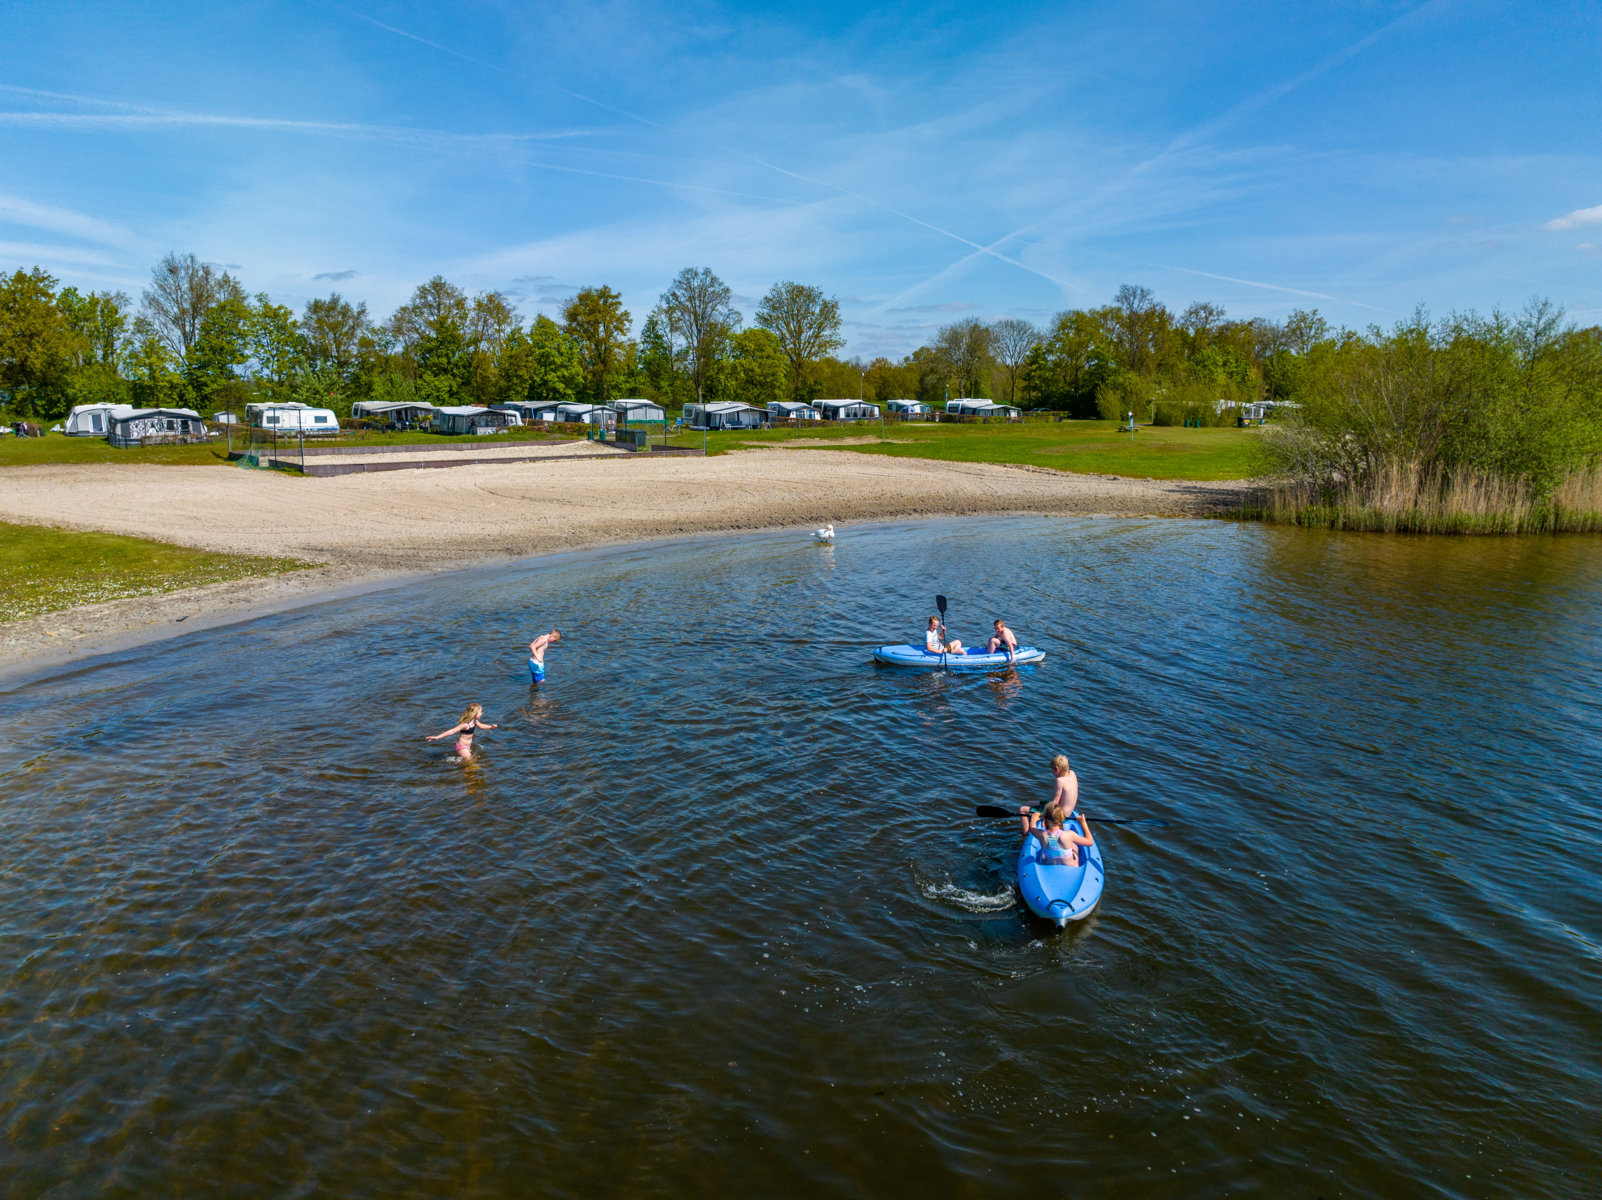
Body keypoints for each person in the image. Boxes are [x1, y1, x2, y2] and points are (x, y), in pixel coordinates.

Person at [1018, 801, 1094, 867]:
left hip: (1049, 866)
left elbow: (1032, 828)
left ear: (1044, 819)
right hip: (1070, 868)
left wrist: (1034, 818)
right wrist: (1083, 823)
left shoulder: (1042, 835)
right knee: (1074, 847)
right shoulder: (1069, 835)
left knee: (1043, 853)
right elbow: (1090, 842)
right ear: (1062, 819)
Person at [427, 702, 497, 760]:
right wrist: (437, 737)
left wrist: (490, 727)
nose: (482, 713)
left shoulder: (474, 721)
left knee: (470, 760)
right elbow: (452, 731)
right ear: (475, 713)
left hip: (468, 746)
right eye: (480, 712)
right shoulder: (465, 724)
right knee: (471, 762)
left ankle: (461, 772)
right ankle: (468, 775)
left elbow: (481, 726)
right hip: (462, 747)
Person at [1047, 753, 1079, 818]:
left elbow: (1055, 802)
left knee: (1023, 809)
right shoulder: (1072, 773)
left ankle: (1028, 828)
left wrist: (1046, 816)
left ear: (1057, 769)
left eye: (1052, 770)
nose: (1052, 772)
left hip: (1060, 815)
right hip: (1069, 813)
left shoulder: (1060, 781)